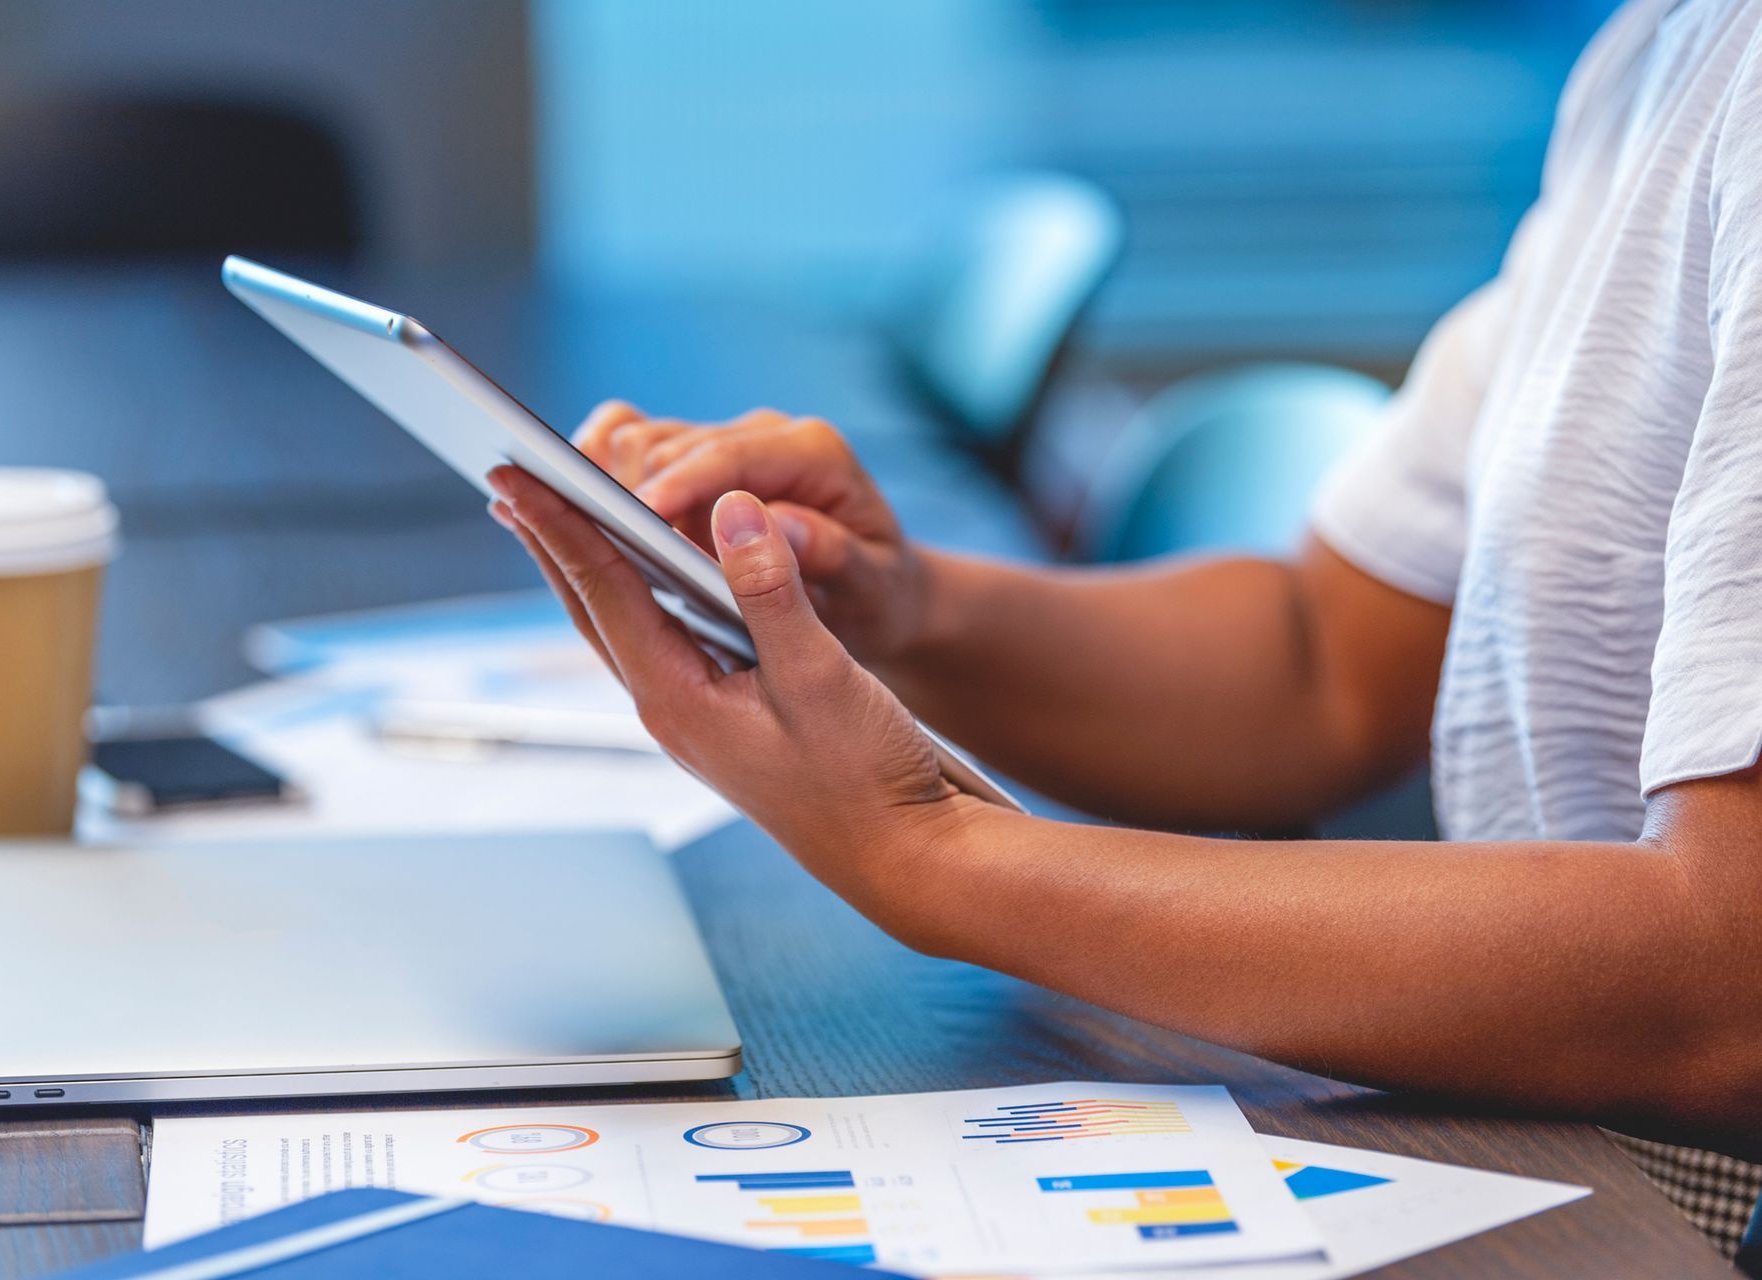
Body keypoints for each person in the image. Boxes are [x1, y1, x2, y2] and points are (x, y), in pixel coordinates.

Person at [487, 0, 1762, 1258]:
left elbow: (1728, 981)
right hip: (1570, 1148)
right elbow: (1322, 660)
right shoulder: (1661, 53)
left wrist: (932, 859)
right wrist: (902, 601)